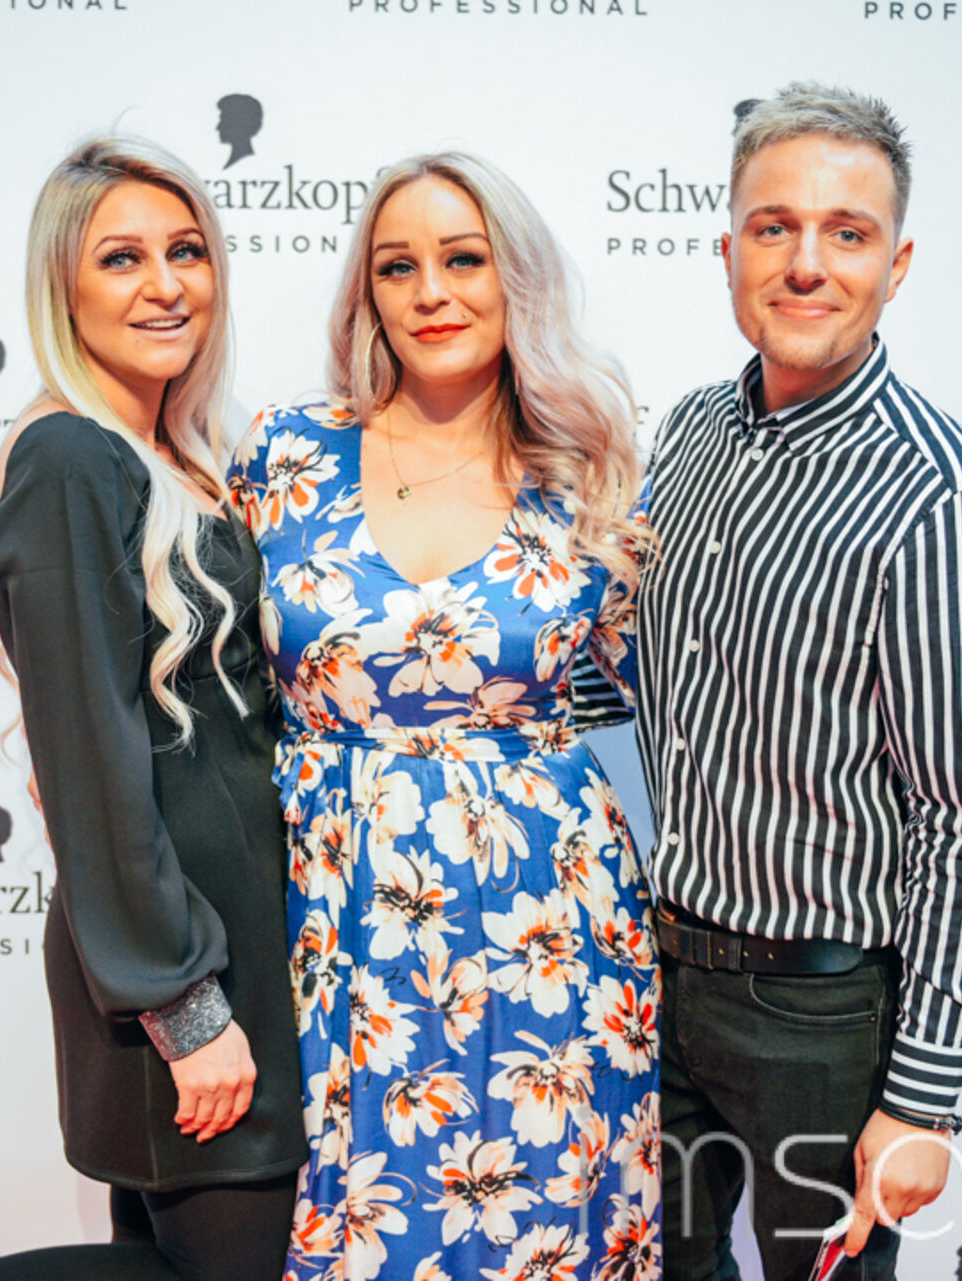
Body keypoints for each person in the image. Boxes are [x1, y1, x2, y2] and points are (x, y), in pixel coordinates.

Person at [623, 82, 962, 1279]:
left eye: (845, 233)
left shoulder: (944, 497)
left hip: (819, 1021)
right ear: (729, 253)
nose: (806, 263)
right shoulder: (689, 432)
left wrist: (922, 1098)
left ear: (895, 266)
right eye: (774, 227)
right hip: (654, 982)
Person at [227, 152, 660, 1281]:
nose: (431, 293)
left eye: (463, 259)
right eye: (397, 267)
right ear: (365, 293)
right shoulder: (285, 452)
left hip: (551, 927)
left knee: (545, 1225)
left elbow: (677, 703)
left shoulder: (591, 470)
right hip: (334, 920)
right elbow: (212, 689)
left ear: (516, 276)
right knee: (356, 1225)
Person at [0, 135, 306, 1281]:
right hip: (182, 979)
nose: (165, 286)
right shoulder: (72, 458)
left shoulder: (179, 453)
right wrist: (186, 1009)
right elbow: (91, 762)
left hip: (236, 953)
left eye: (187, 251)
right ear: (62, 288)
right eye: (121, 258)